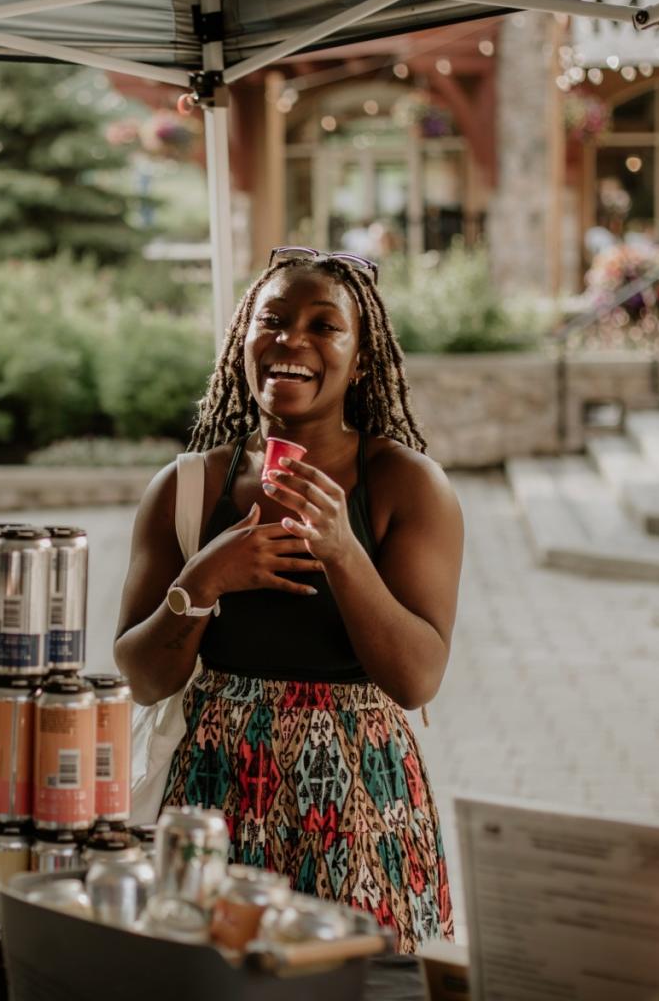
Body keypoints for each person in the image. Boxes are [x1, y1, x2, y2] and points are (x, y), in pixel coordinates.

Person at [115, 247, 463, 952]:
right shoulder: (188, 490)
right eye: (271, 321)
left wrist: (342, 550)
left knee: (355, 988)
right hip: (214, 795)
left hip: (362, 799)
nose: (291, 341)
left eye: (323, 326)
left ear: (360, 359)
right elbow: (145, 677)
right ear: (242, 342)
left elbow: (416, 677)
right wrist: (201, 583)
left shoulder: (407, 486)